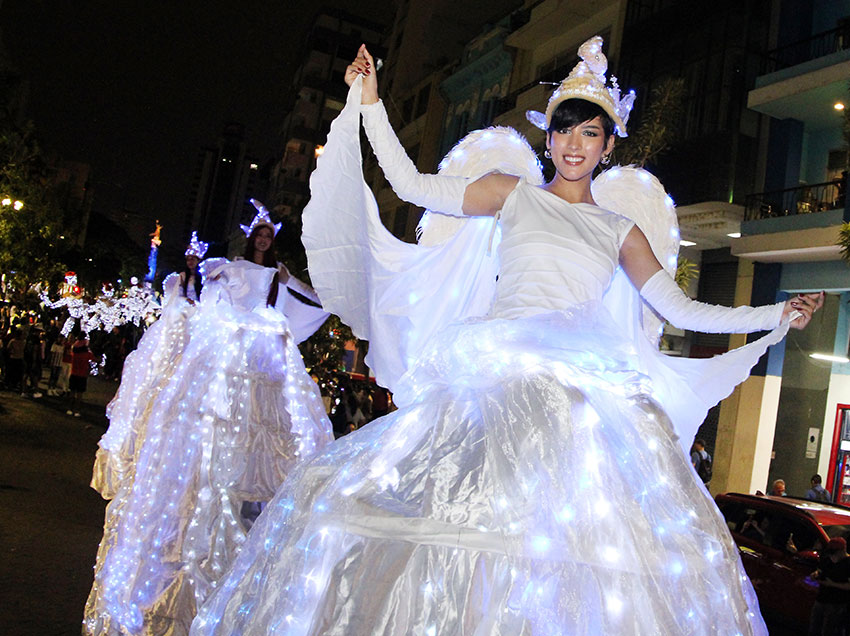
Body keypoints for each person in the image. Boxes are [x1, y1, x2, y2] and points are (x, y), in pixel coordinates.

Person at [192, 38, 823, 635]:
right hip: (495, 374)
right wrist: (373, 104)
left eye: (590, 132)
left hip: (577, 391)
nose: (574, 144)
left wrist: (772, 316)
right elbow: (412, 187)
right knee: (456, 518)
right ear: (547, 137)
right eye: (564, 130)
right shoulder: (512, 194)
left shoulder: (618, 228)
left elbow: (681, 308)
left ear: (607, 144)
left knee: (565, 541)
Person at [83, 210, 334, 636]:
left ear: (272, 242)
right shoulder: (233, 268)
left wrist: (295, 284)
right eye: (258, 234)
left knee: (266, 432)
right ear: (250, 238)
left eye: (268, 236)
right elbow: (212, 299)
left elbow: (316, 300)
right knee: (215, 429)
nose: (262, 240)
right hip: (234, 352)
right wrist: (215, 281)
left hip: (266, 356)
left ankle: (245, 517)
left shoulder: (277, 274)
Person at [90, 231, 209, 499]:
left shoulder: (203, 283)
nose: (191, 261)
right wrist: (184, 303)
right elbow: (169, 304)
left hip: (192, 333)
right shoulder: (175, 280)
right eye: (189, 257)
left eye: (195, 258)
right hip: (174, 330)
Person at [808, 537, 850, 636]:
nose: (832, 556)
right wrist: (815, 574)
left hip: (836, 603)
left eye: (834, 552)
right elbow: (820, 570)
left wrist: (832, 584)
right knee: (814, 628)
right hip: (821, 599)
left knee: (828, 630)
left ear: (842, 550)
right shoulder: (827, 559)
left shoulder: (848, 563)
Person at [67, 335, 93, 417]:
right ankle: (77, 410)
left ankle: (70, 409)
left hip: (74, 373)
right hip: (82, 375)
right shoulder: (87, 354)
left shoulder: (74, 352)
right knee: (79, 394)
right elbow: (95, 359)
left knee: (72, 392)